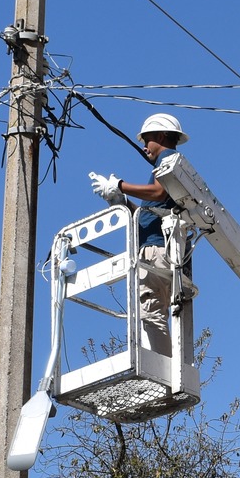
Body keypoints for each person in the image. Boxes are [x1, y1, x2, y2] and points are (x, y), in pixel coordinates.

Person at [88, 113, 190, 358]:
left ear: (162, 135)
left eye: (147, 140)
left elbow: (156, 193)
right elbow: (147, 212)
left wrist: (120, 185)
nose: (144, 147)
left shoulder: (169, 161)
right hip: (159, 249)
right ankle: (163, 367)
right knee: (151, 313)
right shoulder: (163, 167)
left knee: (150, 311)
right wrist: (120, 201)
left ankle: (163, 371)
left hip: (157, 251)